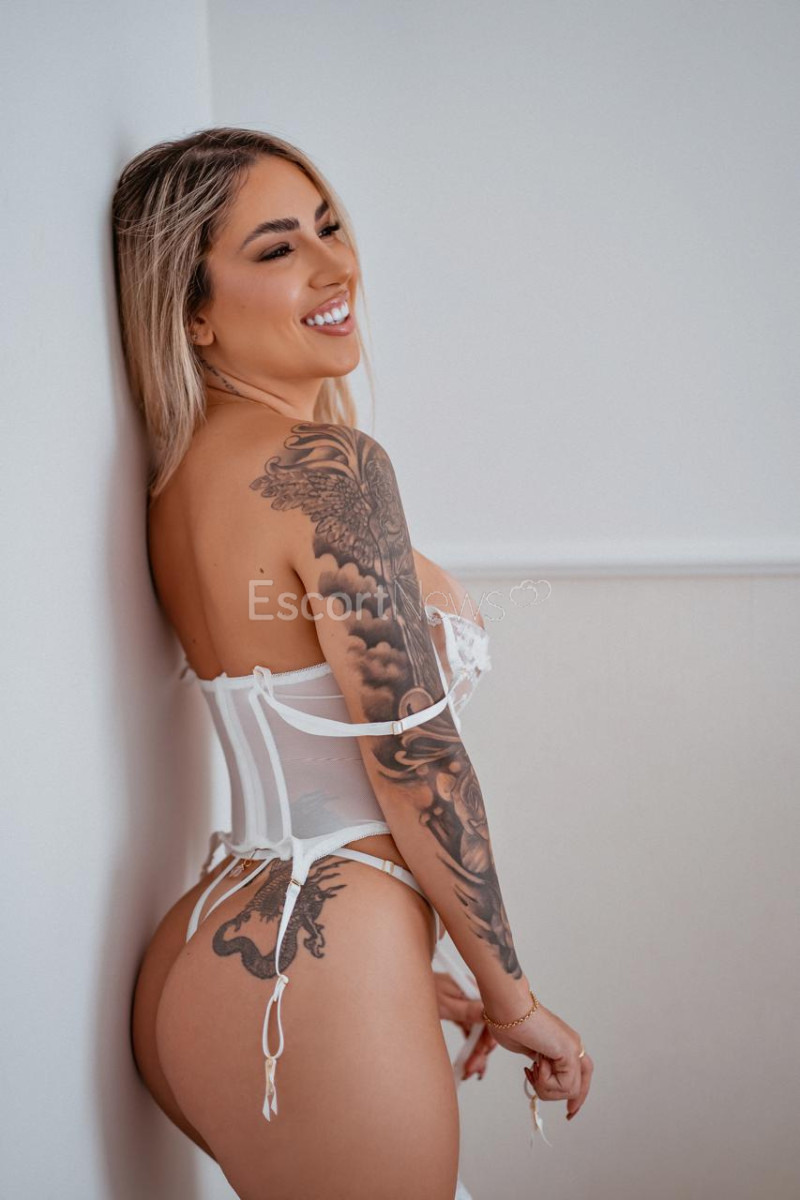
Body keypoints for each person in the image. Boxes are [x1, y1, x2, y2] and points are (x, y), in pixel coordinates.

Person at [114, 126, 593, 1200]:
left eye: (330, 229)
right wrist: (511, 998)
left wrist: (401, 978)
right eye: (278, 248)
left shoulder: (185, 473)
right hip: (315, 963)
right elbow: (415, 758)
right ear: (192, 311)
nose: (335, 267)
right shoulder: (328, 469)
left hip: (217, 940)